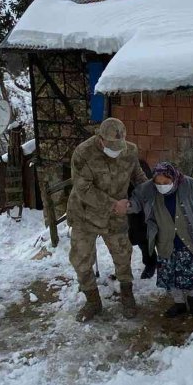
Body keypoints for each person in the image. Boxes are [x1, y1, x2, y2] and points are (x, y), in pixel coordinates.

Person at [67, 117, 147, 322]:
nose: (116, 150)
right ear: (100, 139)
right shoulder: (83, 153)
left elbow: (138, 177)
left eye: (119, 146)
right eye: (111, 146)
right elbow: (83, 189)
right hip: (84, 214)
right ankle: (93, 301)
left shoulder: (130, 151)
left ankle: (127, 296)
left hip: (115, 217)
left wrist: (151, 194)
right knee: (81, 259)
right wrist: (113, 204)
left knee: (123, 255)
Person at [128, 162, 193, 319]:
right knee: (172, 274)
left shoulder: (189, 185)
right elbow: (136, 201)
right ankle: (179, 303)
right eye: (158, 182)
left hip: (191, 239)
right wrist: (128, 205)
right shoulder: (148, 188)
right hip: (166, 242)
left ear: (174, 178)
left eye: (166, 182)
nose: (161, 186)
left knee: (192, 272)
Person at [127, 159, 157, 279]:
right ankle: (123, 269)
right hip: (119, 204)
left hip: (138, 203)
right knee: (121, 240)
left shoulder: (137, 163)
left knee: (143, 237)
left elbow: (145, 183)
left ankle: (150, 263)